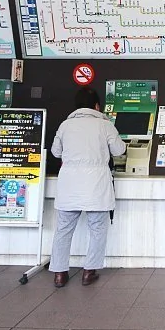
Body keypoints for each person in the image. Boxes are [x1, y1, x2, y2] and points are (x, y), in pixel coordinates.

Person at [49, 87, 126, 288]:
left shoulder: (65, 125)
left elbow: (56, 152)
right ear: (97, 106)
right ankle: (89, 272)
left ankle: (59, 273)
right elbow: (119, 149)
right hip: (96, 185)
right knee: (98, 229)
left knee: (63, 230)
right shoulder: (104, 125)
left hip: (69, 185)